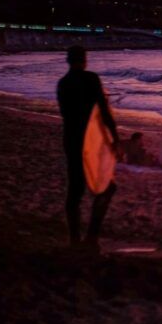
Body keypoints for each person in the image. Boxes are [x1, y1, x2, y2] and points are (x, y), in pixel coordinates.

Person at [56, 45, 120, 251]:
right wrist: (116, 139)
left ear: (68, 60)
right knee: (107, 187)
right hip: (92, 142)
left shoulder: (62, 84)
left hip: (71, 140)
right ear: (85, 60)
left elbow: (66, 114)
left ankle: (75, 239)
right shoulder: (91, 79)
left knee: (75, 191)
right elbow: (103, 111)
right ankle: (91, 237)